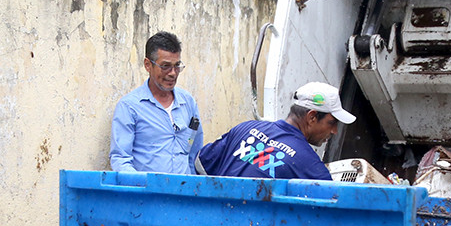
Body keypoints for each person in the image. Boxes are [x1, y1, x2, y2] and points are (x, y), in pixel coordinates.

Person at [198, 82, 355, 179]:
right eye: (332, 123)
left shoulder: (246, 128)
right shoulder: (310, 166)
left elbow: (201, 164)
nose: (334, 131)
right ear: (312, 117)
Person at [109, 31, 202, 174]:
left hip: (184, 193)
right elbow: (121, 160)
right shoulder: (129, 107)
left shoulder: (188, 102)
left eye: (177, 66)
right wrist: (145, 187)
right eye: (165, 66)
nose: (172, 73)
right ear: (148, 65)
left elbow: (194, 154)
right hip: (147, 194)